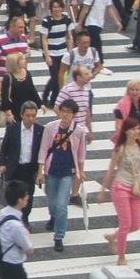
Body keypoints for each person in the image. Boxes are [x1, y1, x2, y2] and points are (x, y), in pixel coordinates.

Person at [101, 118, 140, 266]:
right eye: (133, 129)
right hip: (121, 187)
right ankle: (121, 256)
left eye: (138, 129)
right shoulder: (120, 148)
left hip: (136, 188)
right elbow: (111, 170)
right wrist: (102, 190)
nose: (136, 132)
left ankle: (113, 237)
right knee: (125, 223)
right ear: (126, 131)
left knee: (136, 224)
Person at [36, 98, 87, 253]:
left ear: (74, 115)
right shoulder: (51, 127)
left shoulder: (79, 131)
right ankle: (53, 217)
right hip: (52, 170)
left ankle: (59, 236)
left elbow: (81, 153)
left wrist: (81, 171)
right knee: (52, 203)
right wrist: (40, 171)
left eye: (69, 112)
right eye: (63, 111)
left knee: (61, 205)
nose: (65, 115)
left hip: (67, 172)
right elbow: (44, 148)